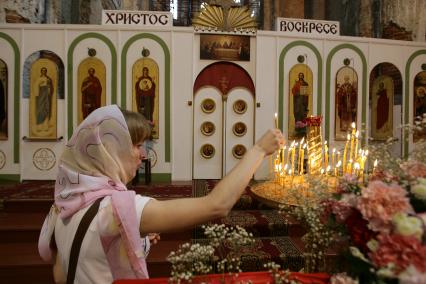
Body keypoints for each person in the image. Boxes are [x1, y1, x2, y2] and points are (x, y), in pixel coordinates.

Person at [38, 104, 284, 283]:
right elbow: (216, 205)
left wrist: (134, 234)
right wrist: (259, 150)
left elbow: (61, 275)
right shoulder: (118, 209)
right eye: (136, 145)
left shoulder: (63, 205)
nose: (143, 154)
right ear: (109, 149)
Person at [35, 67, 54, 131]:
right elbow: (36, 87)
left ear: (46, 72)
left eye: (45, 71)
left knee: (47, 109)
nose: (44, 72)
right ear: (41, 72)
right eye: (42, 71)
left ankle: (46, 125)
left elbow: (51, 88)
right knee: (40, 109)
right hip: (41, 95)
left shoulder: (48, 79)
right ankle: (39, 126)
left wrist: (49, 88)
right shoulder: (39, 78)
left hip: (47, 96)